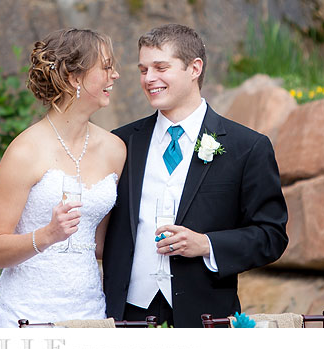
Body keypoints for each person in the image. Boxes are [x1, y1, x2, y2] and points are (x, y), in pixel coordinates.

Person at [102, 23, 289, 327]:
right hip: (127, 316)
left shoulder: (247, 146)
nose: (149, 79)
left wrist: (207, 244)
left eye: (161, 67)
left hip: (204, 317)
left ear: (194, 68)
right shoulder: (121, 143)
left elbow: (271, 236)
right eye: (143, 69)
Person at [0, 28, 126, 327]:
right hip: (27, 312)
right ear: (75, 78)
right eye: (106, 66)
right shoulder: (25, 151)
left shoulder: (114, 150)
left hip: (88, 309)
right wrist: (48, 235)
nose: (115, 75)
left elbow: (101, 245)